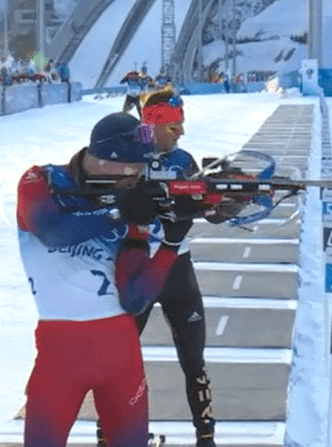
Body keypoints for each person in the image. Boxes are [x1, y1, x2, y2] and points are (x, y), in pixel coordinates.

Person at [16, 111, 182, 447]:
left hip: (121, 347)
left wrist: (171, 244)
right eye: (135, 168)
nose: (139, 177)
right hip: (59, 349)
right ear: (107, 161)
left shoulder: (135, 199)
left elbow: (134, 298)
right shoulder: (42, 180)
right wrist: (119, 212)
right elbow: (52, 232)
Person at [128, 90, 220, 447]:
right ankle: (113, 435)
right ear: (152, 124)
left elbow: (209, 210)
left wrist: (223, 205)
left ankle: (207, 437)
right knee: (120, 360)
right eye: (174, 126)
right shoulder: (126, 155)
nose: (181, 132)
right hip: (136, 267)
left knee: (194, 358)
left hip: (177, 269)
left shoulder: (184, 159)